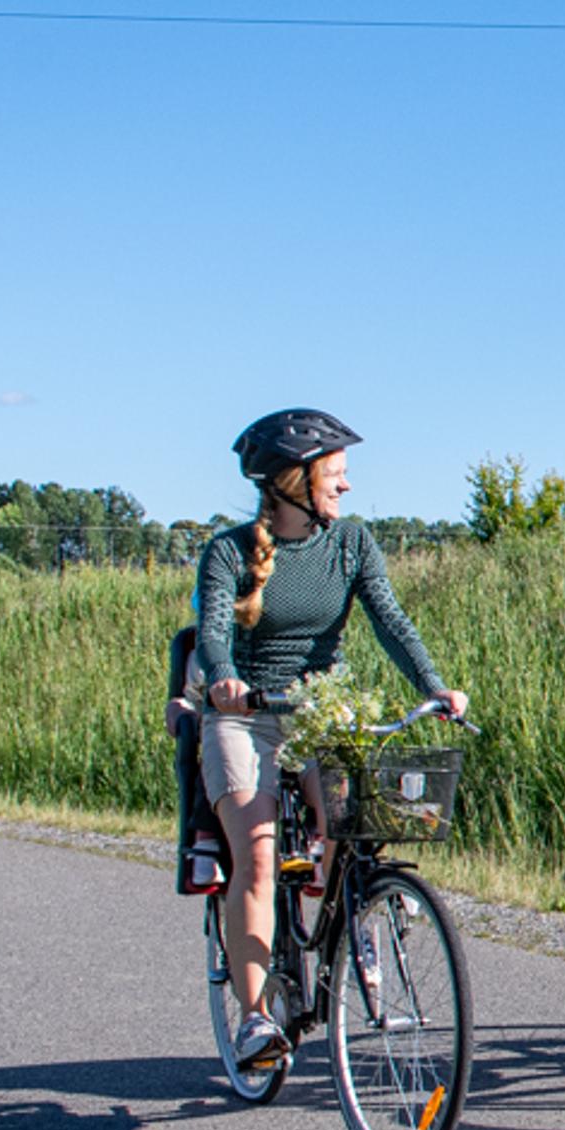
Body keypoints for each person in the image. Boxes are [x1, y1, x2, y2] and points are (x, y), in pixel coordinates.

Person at [195, 408, 465, 1073]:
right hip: (248, 715)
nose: (344, 488)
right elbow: (210, 636)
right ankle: (257, 1017)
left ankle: (352, 909)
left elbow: (390, 620)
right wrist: (226, 680)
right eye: (335, 475)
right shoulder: (228, 552)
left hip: (321, 710)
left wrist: (435, 686)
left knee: (358, 822)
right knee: (258, 855)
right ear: (294, 480)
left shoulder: (352, 543)